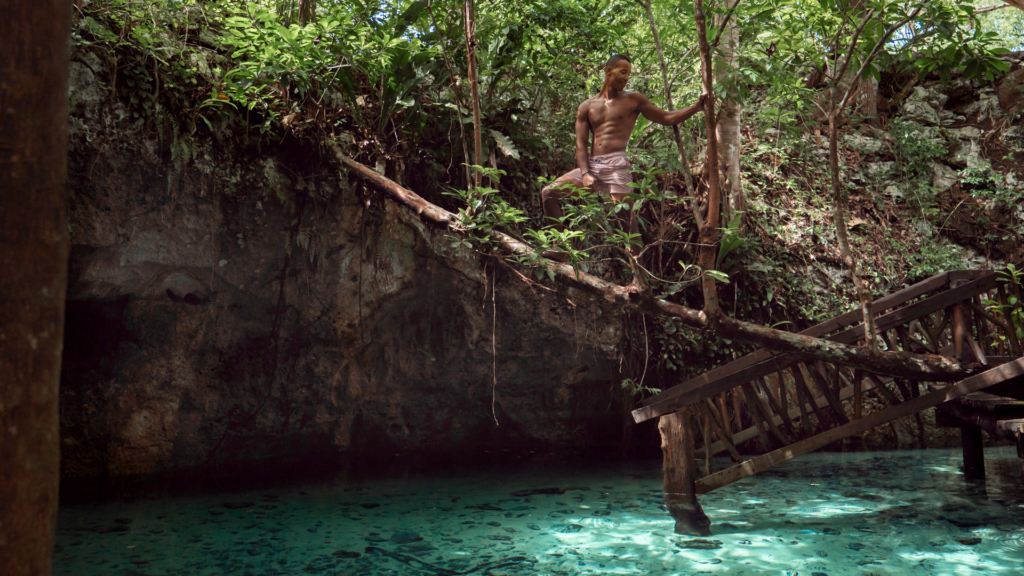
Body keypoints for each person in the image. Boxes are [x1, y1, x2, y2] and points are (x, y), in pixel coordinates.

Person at [540, 54, 707, 285]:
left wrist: (696, 107)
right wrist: (586, 173)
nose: (627, 77)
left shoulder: (633, 100)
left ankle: (639, 280)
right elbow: (580, 145)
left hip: (617, 164)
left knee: (626, 219)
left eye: (629, 73)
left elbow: (667, 118)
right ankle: (559, 247)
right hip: (593, 165)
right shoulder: (587, 107)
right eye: (623, 72)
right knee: (549, 192)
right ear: (609, 71)